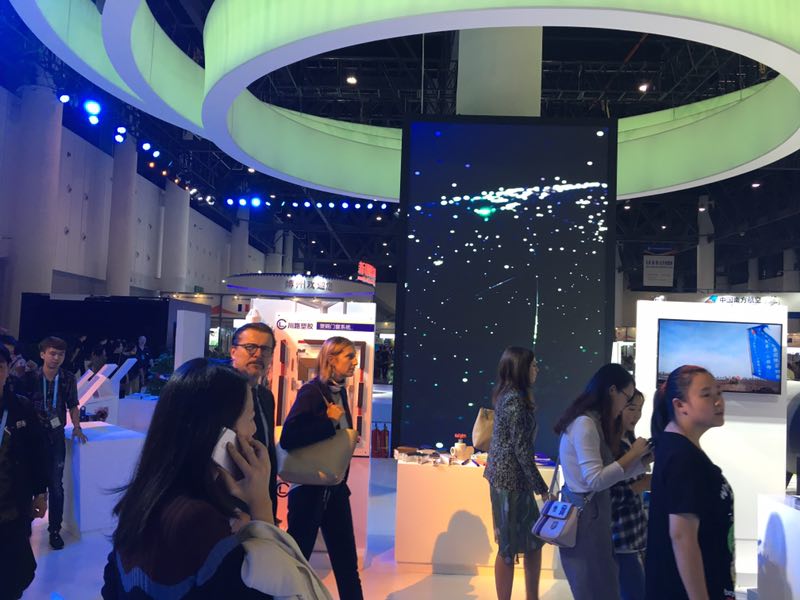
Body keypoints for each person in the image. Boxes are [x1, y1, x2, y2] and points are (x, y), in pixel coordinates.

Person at [101, 358, 331, 599]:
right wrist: (262, 507)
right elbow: (279, 589)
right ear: (221, 434)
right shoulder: (200, 522)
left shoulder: (144, 499)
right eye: (250, 418)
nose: (254, 431)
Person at [552, 363, 652, 600]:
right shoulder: (585, 424)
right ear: (612, 391)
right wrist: (633, 455)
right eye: (627, 397)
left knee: (602, 586)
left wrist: (641, 461)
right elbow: (596, 480)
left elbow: (606, 476)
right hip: (587, 517)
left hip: (592, 514)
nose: (626, 406)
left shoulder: (590, 422)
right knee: (594, 587)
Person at [281, 336, 364, 600]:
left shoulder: (339, 391)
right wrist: (328, 423)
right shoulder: (311, 392)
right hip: (309, 490)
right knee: (298, 561)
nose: (355, 362)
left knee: (346, 564)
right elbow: (289, 438)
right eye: (349, 356)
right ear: (331, 359)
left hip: (335, 488)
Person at [645, 365, 735, 600]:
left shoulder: (678, 448)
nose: (718, 401)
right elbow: (682, 536)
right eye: (706, 395)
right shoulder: (682, 457)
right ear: (680, 405)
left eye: (719, 393)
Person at [484, 347, 550, 600]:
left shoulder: (511, 396)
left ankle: (532, 596)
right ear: (521, 368)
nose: (537, 369)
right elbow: (521, 450)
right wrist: (542, 488)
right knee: (508, 549)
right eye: (533, 365)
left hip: (514, 481)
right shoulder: (514, 400)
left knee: (533, 541)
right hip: (509, 483)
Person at [18, 336, 88, 550]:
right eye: (52, 353)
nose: (56, 358)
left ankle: (55, 530)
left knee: (56, 486)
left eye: (61, 354)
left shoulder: (67, 378)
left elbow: (73, 405)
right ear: (42, 354)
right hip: (31, 437)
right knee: (26, 481)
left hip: (55, 437)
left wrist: (77, 426)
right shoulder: (30, 377)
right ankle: (23, 528)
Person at [0, 345, 49, 600]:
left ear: (7, 369)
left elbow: (37, 453)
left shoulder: (21, 407)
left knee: (14, 574)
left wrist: (40, 493)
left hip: (12, 507)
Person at [230, 322, 278, 521]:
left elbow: (267, 448)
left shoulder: (266, 396)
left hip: (262, 496)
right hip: (231, 502)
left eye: (265, 349)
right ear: (233, 352)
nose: (258, 354)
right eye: (250, 347)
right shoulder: (222, 395)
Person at [610, 389, 651, 600]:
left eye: (640, 410)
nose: (636, 415)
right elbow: (607, 495)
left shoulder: (629, 440)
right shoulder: (612, 445)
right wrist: (639, 486)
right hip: (621, 539)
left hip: (634, 536)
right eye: (631, 409)